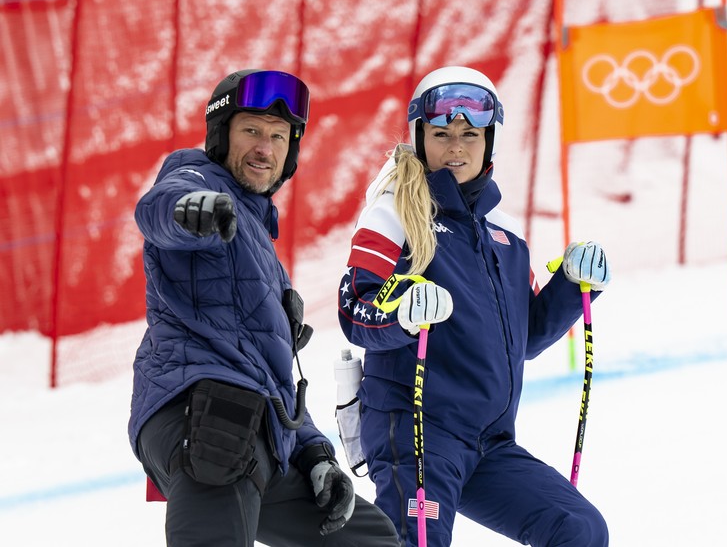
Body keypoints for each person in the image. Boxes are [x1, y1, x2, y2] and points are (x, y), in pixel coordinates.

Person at [337, 66, 611, 546]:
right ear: (420, 138)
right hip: (417, 433)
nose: (456, 147)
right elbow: (356, 309)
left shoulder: (505, 235)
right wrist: (401, 307)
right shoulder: (394, 213)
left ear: (489, 143)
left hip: (490, 442)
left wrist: (571, 285)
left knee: (579, 529)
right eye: (441, 134)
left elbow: (523, 339)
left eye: (470, 135)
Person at [129, 69, 399, 546]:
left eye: (278, 137)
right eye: (251, 130)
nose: (265, 148)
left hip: (259, 431)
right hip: (206, 411)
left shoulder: (262, 249)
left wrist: (316, 454)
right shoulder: (196, 176)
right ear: (221, 134)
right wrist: (191, 210)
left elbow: (271, 374)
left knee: (370, 538)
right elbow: (160, 208)